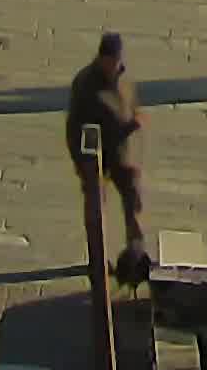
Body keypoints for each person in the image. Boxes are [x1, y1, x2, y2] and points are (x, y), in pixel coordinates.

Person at [65, 31, 151, 284]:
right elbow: (74, 129)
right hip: (96, 157)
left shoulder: (124, 79)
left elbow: (132, 105)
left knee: (134, 200)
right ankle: (97, 262)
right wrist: (82, 164)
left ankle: (136, 255)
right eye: (108, 60)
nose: (113, 65)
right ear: (101, 58)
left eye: (115, 60)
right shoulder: (85, 85)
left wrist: (135, 125)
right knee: (96, 208)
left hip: (124, 155)